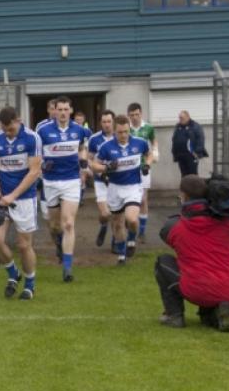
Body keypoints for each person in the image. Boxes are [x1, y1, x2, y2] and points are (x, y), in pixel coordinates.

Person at [154, 175, 229, 331]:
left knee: (163, 262)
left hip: (197, 289)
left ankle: (174, 315)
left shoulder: (175, 226)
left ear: (184, 195)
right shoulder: (227, 223)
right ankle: (217, 312)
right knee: (213, 271)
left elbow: (167, 236)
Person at [0, 106, 42, 299]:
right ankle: (13, 273)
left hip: (24, 199)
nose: (7, 132)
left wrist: (13, 196)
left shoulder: (32, 138)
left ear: (18, 120)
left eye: (10, 129)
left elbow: (34, 171)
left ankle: (29, 284)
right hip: (0, 197)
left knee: (23, 245)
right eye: (4, 129)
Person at [36, 95, 88, 281]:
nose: (63, 113)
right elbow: (36, 156)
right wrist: (43, 165)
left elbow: (83, 147)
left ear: (71, 111)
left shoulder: (79, 130)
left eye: (67, 109)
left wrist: (83, 158)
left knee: (68, 223)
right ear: (54, 111)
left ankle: (67, 268)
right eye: (60, 109)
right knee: (54, 225)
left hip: (71, 181)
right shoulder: (43, 131)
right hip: (50, 182)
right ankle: (58, 244)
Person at [91, 115, 151, 264]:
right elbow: (94, 165)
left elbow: (149, 155)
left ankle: (132, 239)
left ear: (129, 129)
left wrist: (146, 165)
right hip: (114, 188)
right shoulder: (106, 147)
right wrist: (106, 167)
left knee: (131, 219)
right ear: (114, 131)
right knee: (117, 224)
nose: (123, 135)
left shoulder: (140, 143)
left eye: (126, 131)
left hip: (133, 186)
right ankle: (122, 254)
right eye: (120, 132)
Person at [127, 102, 158, 243]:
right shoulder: (126, 129)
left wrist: (155, 152)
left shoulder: (149, 128)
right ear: (128, 116)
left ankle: (142, 232)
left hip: (143, 168)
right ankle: (130, 225)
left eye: (137, 114)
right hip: (128, 169)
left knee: (143, 199)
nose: (134, 117)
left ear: (141, 114)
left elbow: (154, 141)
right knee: (130, 200)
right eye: (132, 115)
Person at [87, 110, 116, 247]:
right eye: (104, 122)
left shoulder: (120, 136)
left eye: (109, 121)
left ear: (113, 122)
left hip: (118, 181)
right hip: (100, 181)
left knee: (116, 214)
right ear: (100, 123)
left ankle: (116, 240)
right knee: (105, 213)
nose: (106, 124)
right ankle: (103, 226)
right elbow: (89, 159)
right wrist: (94, 169)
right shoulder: (94, 139)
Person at [170, 110, 207, 177]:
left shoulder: (195, 126)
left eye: (182, 118)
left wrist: (196, 152)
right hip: (181, 155)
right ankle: (185, 187)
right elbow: (174, 139)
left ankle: (194, 187)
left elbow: (200, 140)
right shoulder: (178, 126)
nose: (180, 119)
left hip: (191, 155)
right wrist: (174, 151)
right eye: (179, 118)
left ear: (188, 117)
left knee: (192, 174)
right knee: (184, 174)